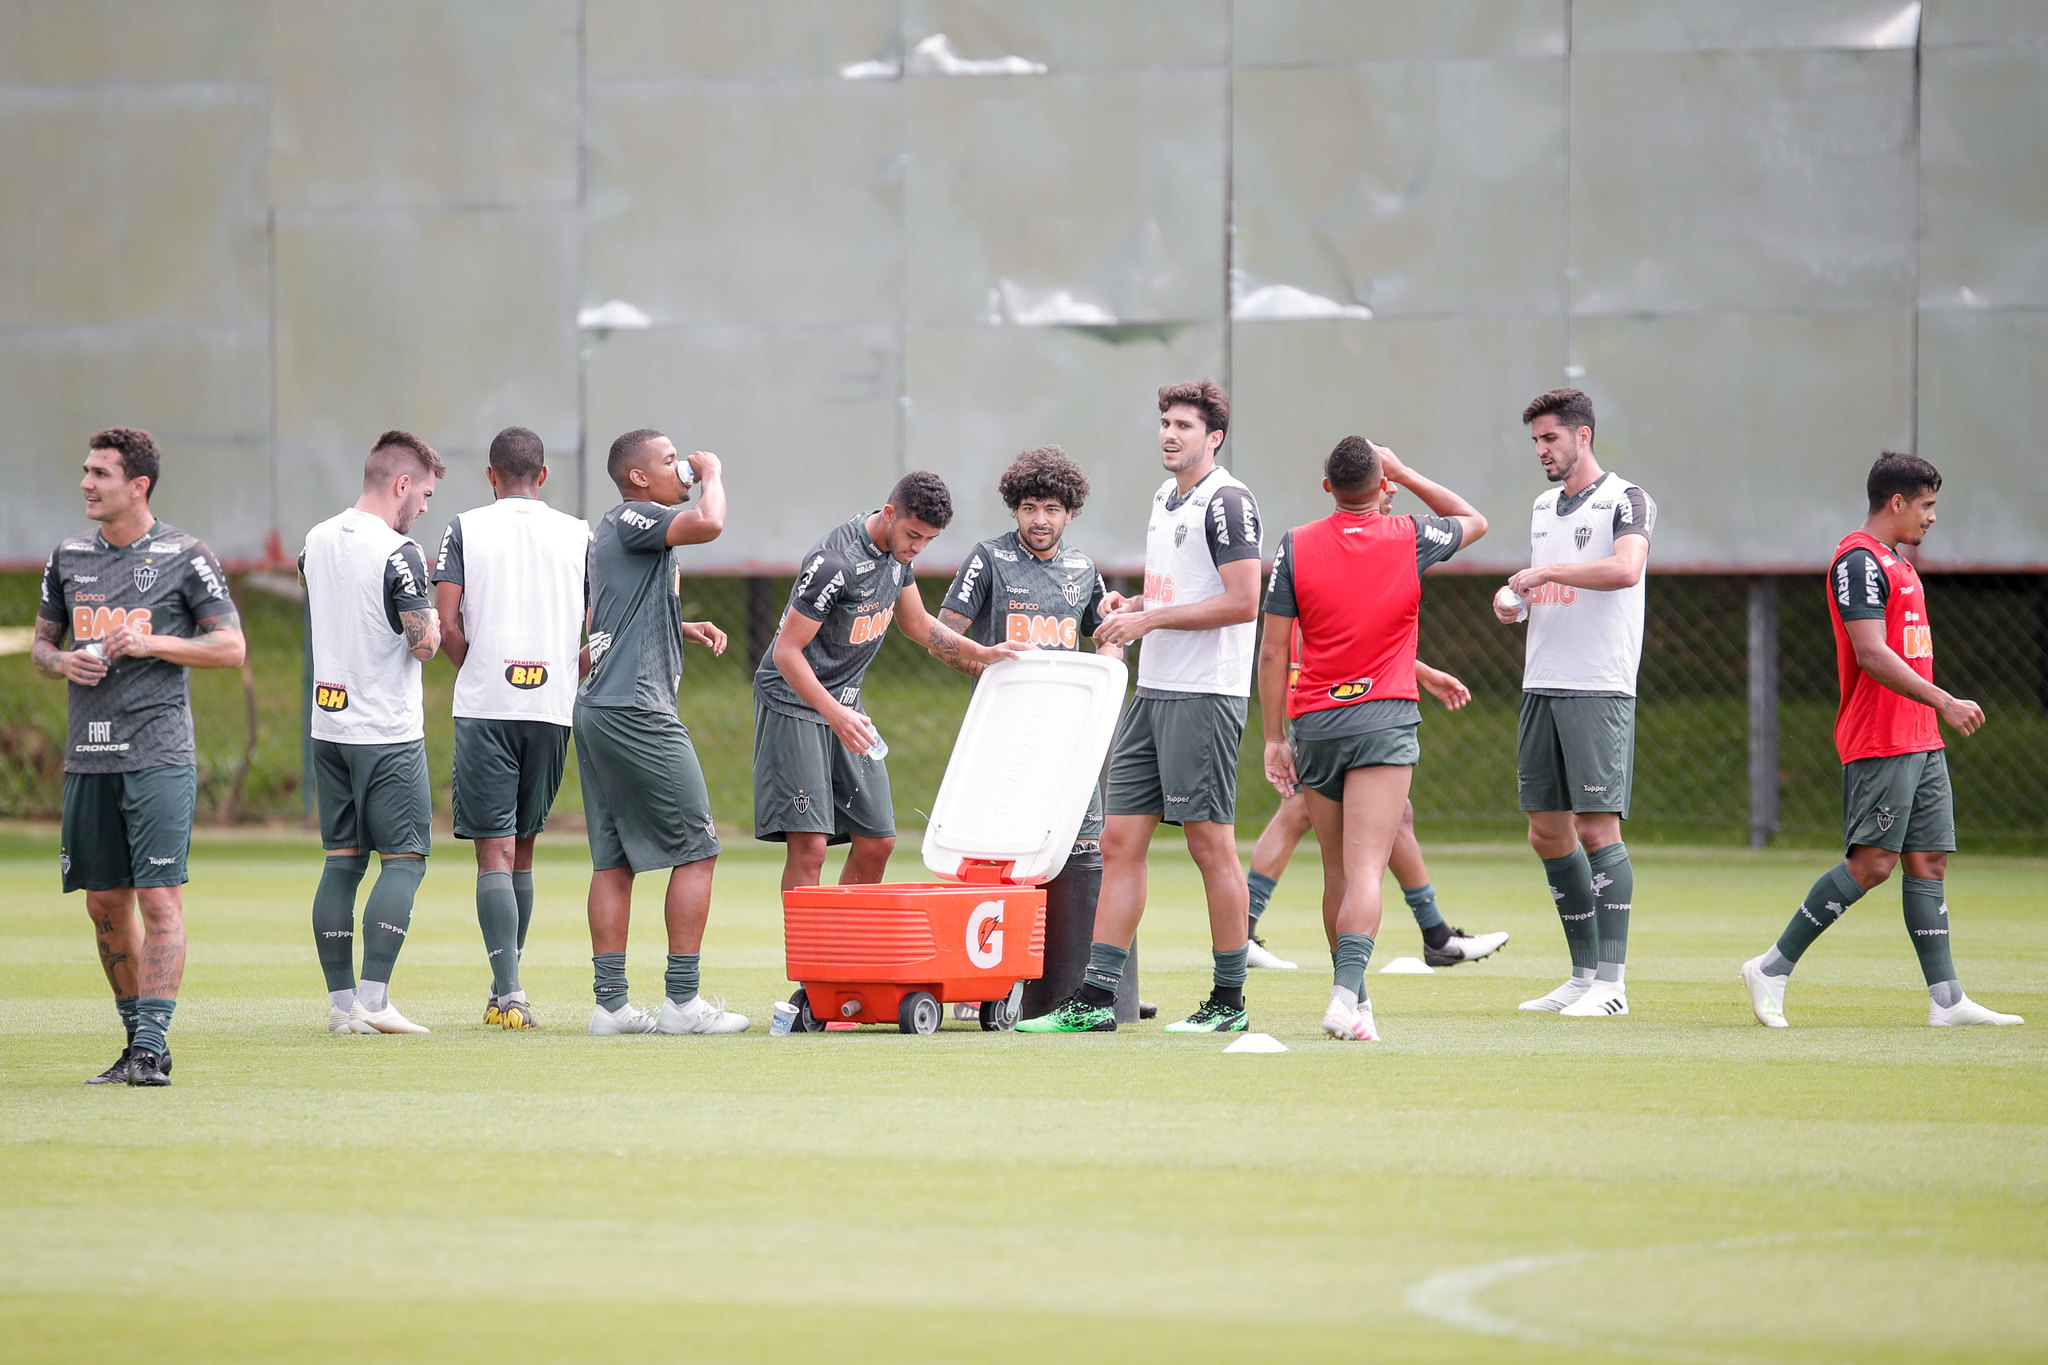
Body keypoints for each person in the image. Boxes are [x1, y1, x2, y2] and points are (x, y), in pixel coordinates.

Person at [1739, 453, 2021, 1029]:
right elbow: (1869, 653)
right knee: (1872, 863)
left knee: (1928, 860)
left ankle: (1947, 1001)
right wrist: (1943, 699)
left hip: (1920, 738)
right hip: (1881, 737)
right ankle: (1771, 967)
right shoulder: (1858, 562)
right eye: (1927, 505)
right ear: (1897, 502)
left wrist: (1932, 717)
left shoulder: (1899, 562)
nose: (1932, 518)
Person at [1019, 380, 1263, 1034]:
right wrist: (1133, 609)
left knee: (1211, 846)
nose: (1169, 433)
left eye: (1184, 424)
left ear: (1213, 436)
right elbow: (1176, 591)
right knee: (1122, 839)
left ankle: (1229, 1001)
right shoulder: (1165, 496)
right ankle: (1095, 999)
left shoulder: (1228, 502)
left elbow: (1244, 601)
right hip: (1153, 693)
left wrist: (1150, 621)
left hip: (1205, 694)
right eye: (1164, 422)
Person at [33, 427, 245, 1086]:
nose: (86, 484)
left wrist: (154, 644)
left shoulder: (185, 555)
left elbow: (231, 647)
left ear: (138, 485)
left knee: (159, 899)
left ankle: (151, 1047)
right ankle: (136, 1043)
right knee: (103, 904)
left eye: (100, 473)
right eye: (86, 470)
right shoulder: (69, 557)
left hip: (158, 755)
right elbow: (42, 645)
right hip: (89, 756)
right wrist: (61, 659)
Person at [1257, 438, 1487, 1040]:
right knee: (1365, 872)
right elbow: (1474, 520)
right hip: (1384, 719)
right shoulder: (1408, 534)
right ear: (1381, 486)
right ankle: (1341, 997)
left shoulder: (1296, 544)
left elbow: (1275, 650)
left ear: (1327, 486)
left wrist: (1273, 738)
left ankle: (1359, 1007)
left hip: (1318, 724)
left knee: (1336, 872)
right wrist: (1406, 470)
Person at [753, 471, 1025, 892]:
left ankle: (848, 948)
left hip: (845, 707)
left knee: (878, 840)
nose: (917, 547)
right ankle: (811, 958)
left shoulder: (898, 557)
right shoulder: (835, 563)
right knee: (811, 847)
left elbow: (915, 623)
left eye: (928, 540)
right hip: (793, 702)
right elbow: (785, 653)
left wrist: (984, 653)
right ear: (890, 513)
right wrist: (837, 714)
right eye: (913, 534)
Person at [933, 446, 1127, 1019]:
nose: (1038, 519)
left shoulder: (1083, 569)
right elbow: (944, 636)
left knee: (1083, 850)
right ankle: (983, 983)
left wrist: (1111, 664)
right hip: (1004, 732)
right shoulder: (988, 558)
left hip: (1069, 736)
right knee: (998, 856)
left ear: (1071, 514)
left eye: (1050, 508)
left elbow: (1104, 634)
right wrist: (986, 664)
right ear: (1014, 510)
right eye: (1027, 507)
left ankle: (1078, 985)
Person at [577, 429, 747, 1036]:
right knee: (699, 850)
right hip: (636, 711)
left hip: (598, 707)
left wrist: (683, 623)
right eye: (672, 461)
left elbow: (611, 616)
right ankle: (682, 1003)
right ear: (640, 477)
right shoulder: (635, 516)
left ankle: (611, 1006)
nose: (685, 469)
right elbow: (710, 524)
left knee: (614, 862)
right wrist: (716, 473)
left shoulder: (615, 531)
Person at [1494, 388, 1654, 1019]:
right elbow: (1541, 586)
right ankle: (1583, 976)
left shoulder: (1626, 498)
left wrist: (1545, 575)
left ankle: (1613, 984)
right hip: (1543, 683)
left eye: (1550, 438)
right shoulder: (1542, 507)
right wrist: (1515, 601)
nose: (1541, 450)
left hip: (1599, 684)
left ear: (1582, 435)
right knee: (1546, 832)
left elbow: (1624, 570)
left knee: (1596, 828)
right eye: (1535, 440)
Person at [433, 426, 589, 1031]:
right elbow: (600, 629)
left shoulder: (464, 526)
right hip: (551, 708)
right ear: (543, 476)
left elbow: (446, 623)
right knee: (523, 851)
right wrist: (565, 675)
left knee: (492, 855)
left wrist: (474, 668)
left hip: (487, 705)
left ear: (492, 477)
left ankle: (509, 991)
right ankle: (509, 988)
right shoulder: (580, 534)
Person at [301, 431, 445, 1035]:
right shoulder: (400, 552)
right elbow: (425, 645)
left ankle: (341, 1009)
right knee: (406, 859)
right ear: (401, 484)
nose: (426, 508)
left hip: (328, 724)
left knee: (341, 861)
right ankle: (375, 1000)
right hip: (384, 729)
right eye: (426, 494)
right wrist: (430, 601)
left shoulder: (315, 537)